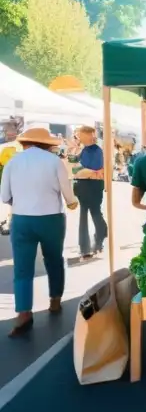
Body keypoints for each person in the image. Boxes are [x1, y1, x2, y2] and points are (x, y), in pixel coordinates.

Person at [1, 127, 78, 337]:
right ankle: (55, 300)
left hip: (22, 220)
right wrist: (72, 203)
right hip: (51, 219)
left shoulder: (12, 162)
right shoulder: (55, 162)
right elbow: (67, 193)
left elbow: (4, 196)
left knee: (22, 269)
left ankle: (24, 313)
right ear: (47, 144)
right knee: (53, 259)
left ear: (25, 143)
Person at [72, 125, 107, 259]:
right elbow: (76, 166)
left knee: (91, 213)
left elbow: (93, 168)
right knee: (91, 212)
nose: (78, 137)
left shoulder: (96, 151)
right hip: (86, 185)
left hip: (91, 185)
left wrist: (79, 170)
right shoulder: (85, 149)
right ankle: (96, 238)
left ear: (88, 135)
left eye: (79, 134)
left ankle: (90, 244)